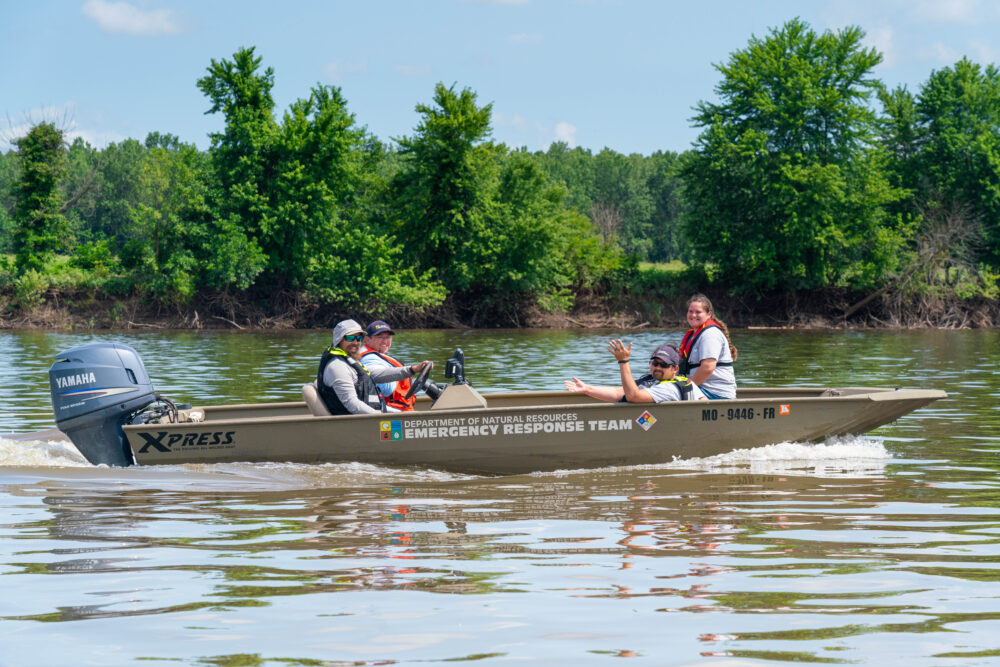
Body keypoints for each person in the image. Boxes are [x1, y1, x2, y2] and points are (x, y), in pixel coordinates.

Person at [317, 319, 430, 415]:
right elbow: (352, 404)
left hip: (367, 417)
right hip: (357, 424)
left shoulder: (349, 361)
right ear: (339, 340)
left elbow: (375, 375)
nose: (356, 342)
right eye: (350, 338)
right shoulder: (337, 367)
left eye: (359, 338)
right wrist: (379, 415)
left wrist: (412, 369)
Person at [564, 341, 706, 403]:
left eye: (663, 364)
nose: (657, 367)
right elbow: (618, 394)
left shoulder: (669, 387)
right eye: (655, 363)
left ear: (675, 369)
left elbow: (633, 396)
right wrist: (587, 389)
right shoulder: (652, 381)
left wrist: (623, 362)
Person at [678, 294, 738, 400]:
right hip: (701, 389)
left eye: (698, 312)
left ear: (709, 314)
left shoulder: (710, 334)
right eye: (690, 311)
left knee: (669, 391)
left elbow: (707, 368)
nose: (693, 315)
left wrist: (684, 388)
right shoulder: (693, 335)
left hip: (715, 394)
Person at [361, 320, 415, 412]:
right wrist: (401, 372)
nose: (385, 341)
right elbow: (387, 389)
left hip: (399, 408)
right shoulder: (369, 359)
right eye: (380, 337)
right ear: (367, 340)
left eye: (388, 337)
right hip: (392, 412)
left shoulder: (377, 354)